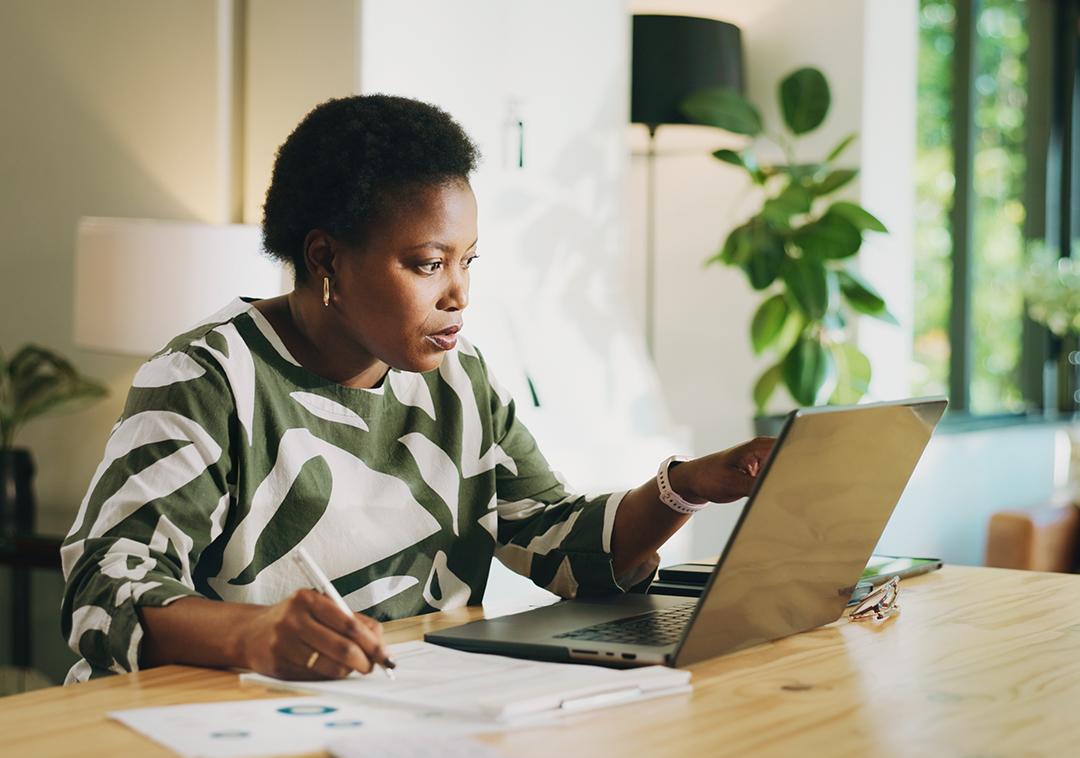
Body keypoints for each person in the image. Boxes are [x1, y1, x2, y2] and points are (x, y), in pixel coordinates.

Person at [60, 94, 774, 684]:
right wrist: (252, 634)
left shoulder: (461, 384)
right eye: (428, 264)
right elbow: (102, 591)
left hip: (405, 718)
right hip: (217, 730)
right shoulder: (208, 379)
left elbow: (557, 546)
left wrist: (686, 486)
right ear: (326, 258)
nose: (459, 295)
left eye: (468, 261)